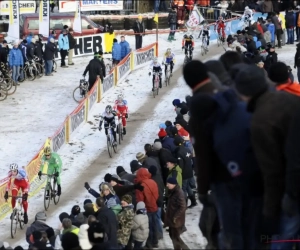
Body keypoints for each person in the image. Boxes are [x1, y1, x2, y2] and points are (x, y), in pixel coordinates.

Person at [165, 177, 189, 250]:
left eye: (168, 184)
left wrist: (175, 217)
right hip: (173, 220)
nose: (167, 185)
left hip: (176, 221)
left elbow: (183, 207)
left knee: (175, 237)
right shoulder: (173, 191)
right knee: (173, 236)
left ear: (173, 184)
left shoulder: (179, 193)